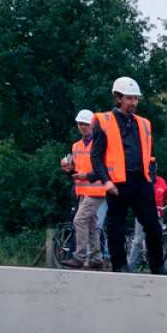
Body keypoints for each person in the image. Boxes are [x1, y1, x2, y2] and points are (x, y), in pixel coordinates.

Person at [89, 76, 167, 274]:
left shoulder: (144, 123)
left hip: (141, 181)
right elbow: (96, 157)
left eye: (135, 99)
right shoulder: (103, 120)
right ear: (118, 98)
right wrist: (106, 181)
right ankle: (120, 265)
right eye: (129, 98)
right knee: (117, 226)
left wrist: (150, 177)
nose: (133, 102)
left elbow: (150, 154)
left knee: (153, 224)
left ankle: (157, 266)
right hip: (117, 182)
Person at [59, 109, 107, 269]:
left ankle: (79, 256)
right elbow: (75, 169)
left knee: (79, 220)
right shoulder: (76, 146)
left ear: (92, 124)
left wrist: (84, 175)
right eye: (80, 124)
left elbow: (103, 168)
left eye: (85, 124)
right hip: (83, 192)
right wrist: (68, 168)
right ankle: (96, 258)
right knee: (92, 225)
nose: (82, 127)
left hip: (96, 190)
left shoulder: (100, 143)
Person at [128, 159, 167, 272]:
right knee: (138, 240)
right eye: (150, 166)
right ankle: (130, 266)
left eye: (154, 166)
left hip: (158, 214)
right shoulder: (142, 180)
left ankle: (158, 266)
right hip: (142, 214)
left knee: (157, 239)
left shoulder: (161, 181)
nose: (152, 169)